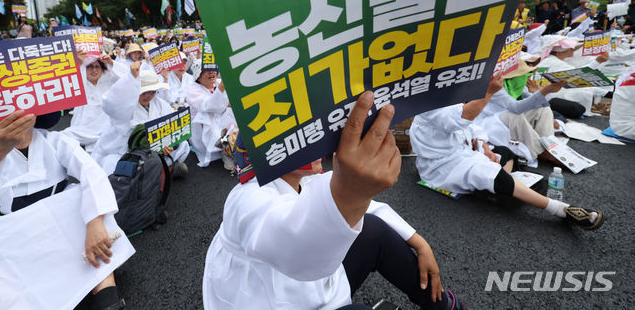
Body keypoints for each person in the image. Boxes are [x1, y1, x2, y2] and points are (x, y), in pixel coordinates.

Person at [203, 92, 467, 310]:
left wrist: (420, 243)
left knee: (372, 229)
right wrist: (351, 189)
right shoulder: (246, 198)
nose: (323, 144)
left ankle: (445, 307)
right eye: (310, 137)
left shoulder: (302, 182)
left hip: (307, 293)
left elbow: (369, 210)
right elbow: (297, 250)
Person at [0, 110, 133, 309]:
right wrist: (1, 145)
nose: (18, 115)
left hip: (57, 227)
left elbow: (91, 172)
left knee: (83, 201)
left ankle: (105, 292)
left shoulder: (54, 141)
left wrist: (94, 222)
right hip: (4, 236)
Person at [409, 76, 603, 230]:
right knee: (488, 171)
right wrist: (488, 93)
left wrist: (484, 148)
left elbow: (472, 127)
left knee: (504, 152)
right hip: (444, 165)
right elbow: (463, 117)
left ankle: (502, 186)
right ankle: (560, 209)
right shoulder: (429, 104)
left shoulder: (470, 88)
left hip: (466, 151)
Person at [91, 61, 190, 177]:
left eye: (152, 92)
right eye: (144, 92)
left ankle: (165, 170)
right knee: (111, 163)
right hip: (125, 150)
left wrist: (168, 144)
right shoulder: (124, 106)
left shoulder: (160, 104)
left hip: (154, 149)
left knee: (183, 144)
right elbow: (111, 103)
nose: (149, 96)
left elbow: (169, 126)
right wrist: (131, 77)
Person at [62, 52, 124, 151]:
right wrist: (78, 62)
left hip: (106, 130)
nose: (94, 70)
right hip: (82, 130)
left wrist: (111, 63)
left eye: (97, 67)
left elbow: (128, 79)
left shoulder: (108, 82)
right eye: (90, 66)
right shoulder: (79, 84)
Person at [186, 66, 236, 170]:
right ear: (198, 76)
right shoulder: (193, 90)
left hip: (222, 120)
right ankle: (225, 148)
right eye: (207, 71)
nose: (211, 73)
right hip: (204, 128)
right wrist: (222, 88)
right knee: (204, 114)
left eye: (213, 70)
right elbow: (210, 106)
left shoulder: (218, 82)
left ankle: (231, 144)